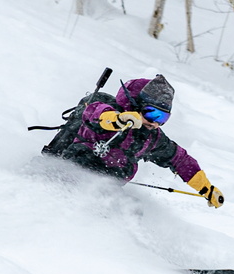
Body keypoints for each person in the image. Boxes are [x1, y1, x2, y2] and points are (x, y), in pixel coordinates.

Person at [52, 74, 224, 208]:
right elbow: (95, 113)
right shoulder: (108, 109)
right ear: (136, 105)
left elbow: (180, 160)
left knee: (132, 208)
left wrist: (207, 189)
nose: (155, 122)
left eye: (163, 118)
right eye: (152, 114)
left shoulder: (151, 137)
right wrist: (119, 119)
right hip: (65, 175)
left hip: (102, 192)